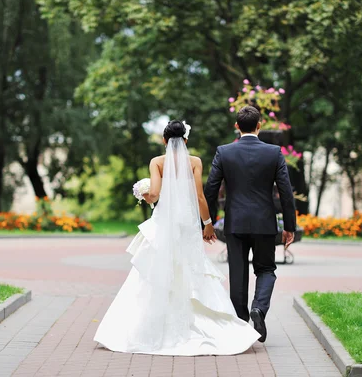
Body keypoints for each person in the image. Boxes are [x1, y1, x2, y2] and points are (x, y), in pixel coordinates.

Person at [94, 120, 260, 355]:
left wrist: (143, 194)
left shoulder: (157, 162)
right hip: (188, 224)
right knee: (191, 267)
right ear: (185, 140)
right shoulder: (195, 162)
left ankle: (147, 328)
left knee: (158, 268)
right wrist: (208, 224)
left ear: (164, 140)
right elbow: (200, 197)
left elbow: (154, 194)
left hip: (165, 223)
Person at [204, 106, 296, 343]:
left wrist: (208, 223)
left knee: (238, 272)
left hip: (235, 223)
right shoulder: (274, 153)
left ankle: (240, 324)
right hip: (265, 223)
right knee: (266, 269)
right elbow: (286, 192)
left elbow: (211, 189)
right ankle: (259, 309)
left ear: (237, 127)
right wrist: (289, 226)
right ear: (259, 125)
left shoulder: (224, 152)